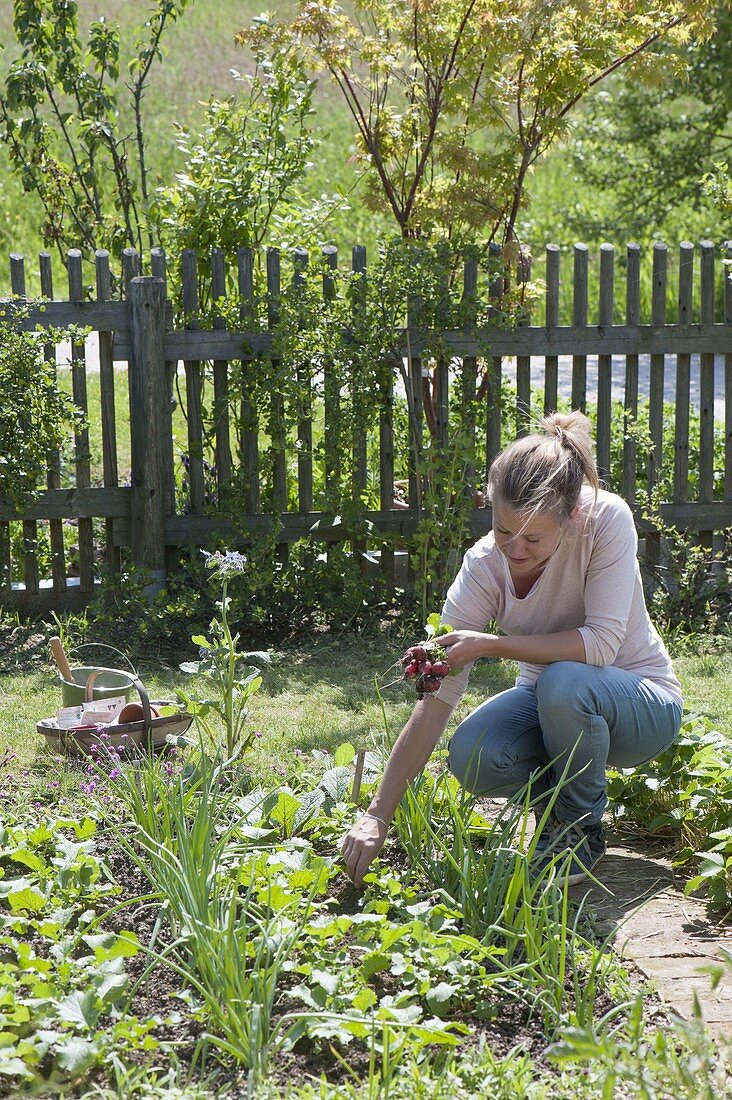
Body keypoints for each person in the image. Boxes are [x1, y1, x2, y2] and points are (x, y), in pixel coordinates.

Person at [340, 411, 683, 887]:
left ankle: (581, 829)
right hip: (552, 707)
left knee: (564, 680)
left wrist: (491, 645)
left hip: (643, 707)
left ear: (571, 517)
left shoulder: (606, 520)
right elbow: (438, 695)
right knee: (473, 752)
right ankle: (557, 816)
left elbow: (601, 645)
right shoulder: (483, 567)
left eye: (533, 539)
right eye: (503, 531)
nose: (515, 550)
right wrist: (378, 814)